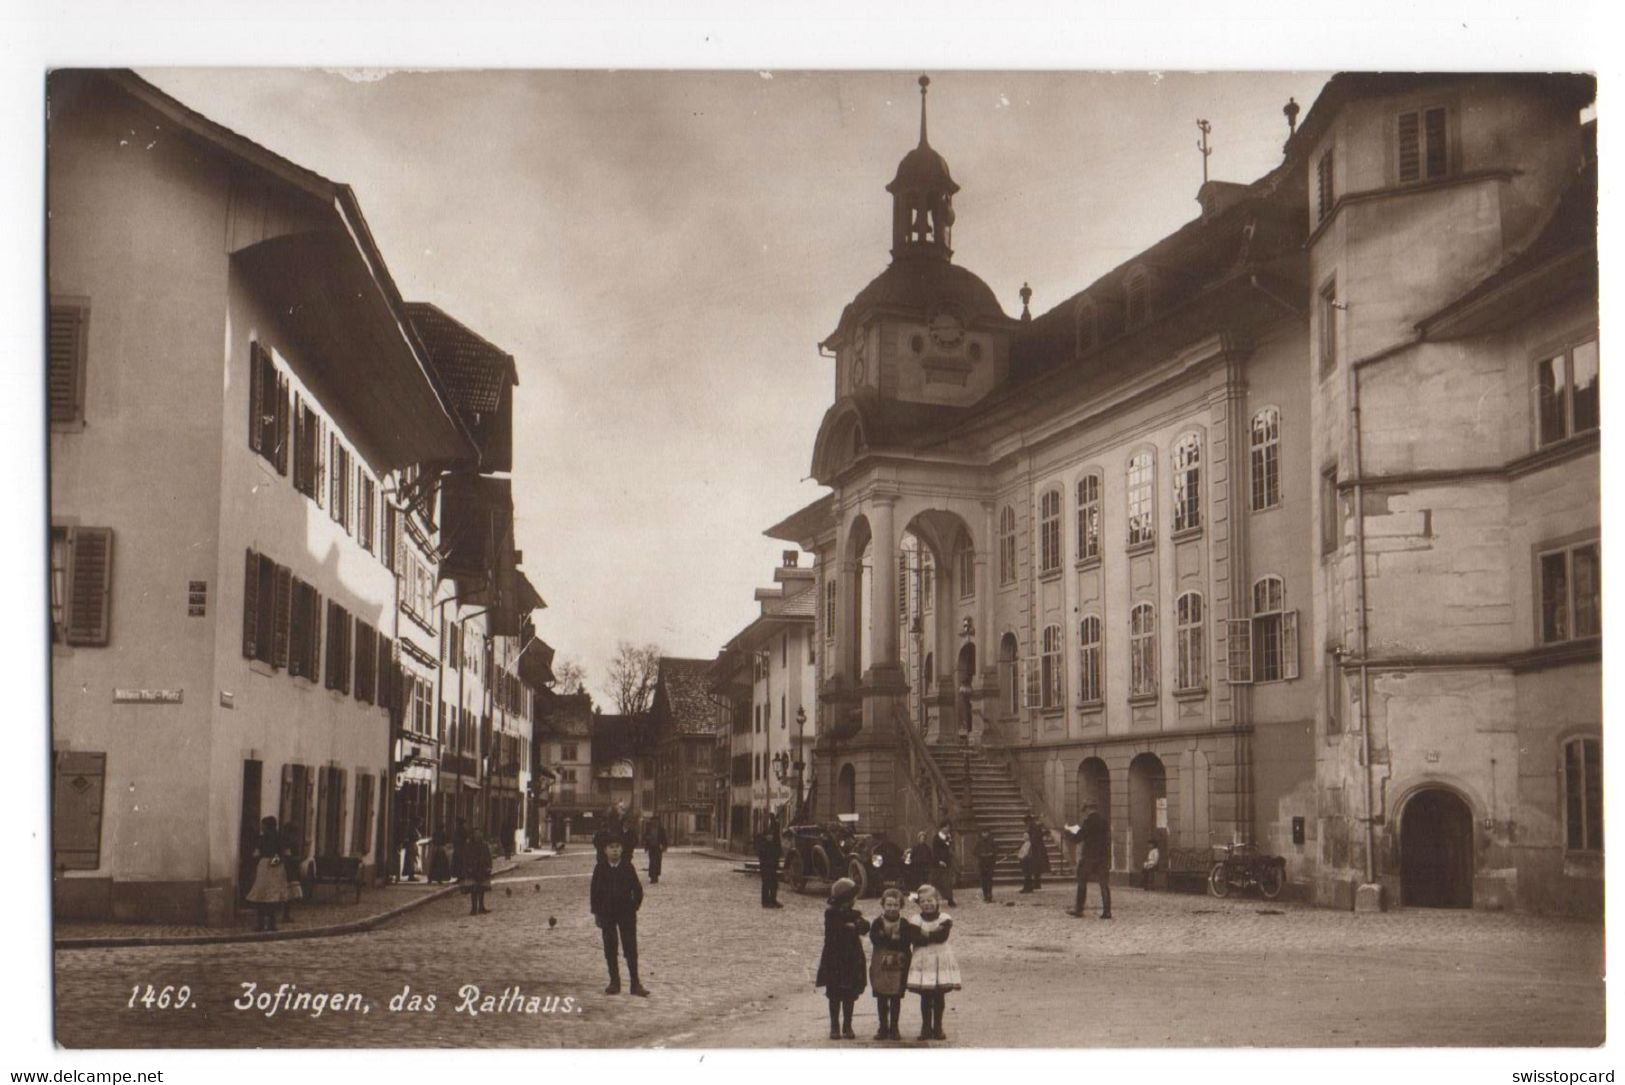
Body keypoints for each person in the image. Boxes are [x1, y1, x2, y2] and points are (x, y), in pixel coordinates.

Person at [589, 837, 648, 996]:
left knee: (630, 947)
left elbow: (638, 890)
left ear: (622, 850)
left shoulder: (627, 867)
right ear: (605, 850)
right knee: (610, 947)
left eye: (617, 847)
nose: (614, 850)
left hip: (626, 913)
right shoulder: (600, 868)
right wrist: (596, 913)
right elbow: (594, 892)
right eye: (611, 847)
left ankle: (635, 984)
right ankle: (614, 982)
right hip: (607, 913)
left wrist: (633, 907)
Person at [814, 876, 869, 1040]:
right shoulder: (830, 914)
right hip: (835, 960)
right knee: (834, 995)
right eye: (853, 897)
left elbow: (865, 926)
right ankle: (834, 1026)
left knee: (848, 995)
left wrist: (854, 925)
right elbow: (837, 930)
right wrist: (853, 927)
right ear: (846, 899)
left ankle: (847, 1025)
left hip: (850, 959)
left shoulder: (854, 914)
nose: (855, 900)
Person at [905, 884, 961, 1041]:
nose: (927, 904)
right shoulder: (915, 920)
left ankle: (938, 1026)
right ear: (919, 903)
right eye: (923, 901)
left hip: (940, 959)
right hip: (923, 961)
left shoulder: (944, 919)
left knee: (939, 995)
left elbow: (941, 937)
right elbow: (915, 938)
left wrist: (925, 935)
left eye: (930, 901)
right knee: (925, 996)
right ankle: (925, 1027)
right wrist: (929, 934)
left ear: (937, 901)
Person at [867, 887, 914, 1040]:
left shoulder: (904, 923)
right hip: (880, 966)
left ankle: (894, 1027)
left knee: (895, 999)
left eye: (895, 905)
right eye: (889, 905)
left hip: (898, 969)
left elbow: (906, 941)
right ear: (883, 905)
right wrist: (893, 940)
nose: (892, 908)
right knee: (881, 998)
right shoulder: (877, 923)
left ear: (900, 906)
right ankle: (882, 1027)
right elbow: (875, 939)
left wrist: (892, 941)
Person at [1063, 801, 1112, 919]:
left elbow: (1078, 838)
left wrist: (1067, 833)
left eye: (1085, 811)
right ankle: (1107, 911)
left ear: (1088, 809)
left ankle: (1079, 909)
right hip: (1103, 856)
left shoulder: (1088, 822)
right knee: (1104, 884)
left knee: (1082, 881)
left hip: (1089, 856)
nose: (1084, 813)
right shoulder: (1104, 822)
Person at [245, 816, 287, 932]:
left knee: (263, 895)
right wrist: (274, 863)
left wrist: (269, 863)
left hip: (266, 866)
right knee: (270, 895)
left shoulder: (264, 839)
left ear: (268, 826)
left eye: (263, 825)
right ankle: (271, 924)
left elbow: (257, 853)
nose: (262, 827)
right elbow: (281, 854)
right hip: (275, 867)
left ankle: (262, 923)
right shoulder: (279, 838)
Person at [463, 830, 493, 916]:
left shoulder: (484, 845)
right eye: (476, 834)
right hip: (472, 870)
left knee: (481, 889)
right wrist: (467, 868)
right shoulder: (469, 846)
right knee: (473, 889)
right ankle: (473, 908)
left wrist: (489, 867)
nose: (478, 835)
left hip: (482, 869)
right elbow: (465, 857)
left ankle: (481, 907)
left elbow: (488, 856)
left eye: (479, 834)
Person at [1018, 814, 1049, 893]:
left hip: (1032, 850)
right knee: (1031, 868)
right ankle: (1032, 885)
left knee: (1028, 868)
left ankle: (1028, 887)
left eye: (1026, 821)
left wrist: (1028, 843)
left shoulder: (1032, 827)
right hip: (1034, 849)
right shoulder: (1034, 826)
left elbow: (1034, 838)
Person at [757, 816, 783, 908]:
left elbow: (778, 850)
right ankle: (765, 902)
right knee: (766, 884)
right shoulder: (763, 845)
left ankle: (773, 900)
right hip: (765, 867)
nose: (770, 837)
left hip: (772, 867)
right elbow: (761, 856)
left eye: (771, 835)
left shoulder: (773, 844)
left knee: (774, 884)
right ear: (766, 836)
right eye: (769, 835)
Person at [278, 822, 302, 921]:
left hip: (286, 868)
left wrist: (272, 863)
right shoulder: (290, 842)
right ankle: (285, 915)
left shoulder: (284, 841)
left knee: (287, 892)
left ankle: (285, 914)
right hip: (289, 869)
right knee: (288, 893)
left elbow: (280, 856)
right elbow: (285, 856)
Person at [931, 819, 957, 906]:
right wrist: (939, 861)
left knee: (947, 882)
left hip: (948, 862)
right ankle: (939, 897)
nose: (948, 829)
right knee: (936, 881)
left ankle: (950, 900)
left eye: (949, 827)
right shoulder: (937, 838)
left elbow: (951, 849)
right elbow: (935, 851)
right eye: (947, 827)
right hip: (938, 863)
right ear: (942, 828)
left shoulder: (949, 837)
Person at [973, 831, 1004, 903]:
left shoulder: (992, 842)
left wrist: (992, 854)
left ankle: (989, 894)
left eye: (986, 832)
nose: (985, 834)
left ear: (989, 833)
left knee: (989, 879)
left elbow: (997, 849)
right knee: (983, 880)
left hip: (990, 863)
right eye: (983, 832)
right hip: (982, 863)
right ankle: (985, 895)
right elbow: (974, 851)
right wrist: (981, 854)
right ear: (981, 834)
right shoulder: (979, 842)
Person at [644, 817, 668, 884]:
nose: (654, 823)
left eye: (656, 821)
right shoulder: (648, 829)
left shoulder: (661, 829)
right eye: (653, 821)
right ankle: (652, 877)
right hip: (651, 847)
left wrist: (664, 846)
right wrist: (646, 840)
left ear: (658, 822)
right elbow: (645, 837)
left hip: (658, 848)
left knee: (657, 862)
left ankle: (656, 876)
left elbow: (664, 838)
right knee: (652, 862)